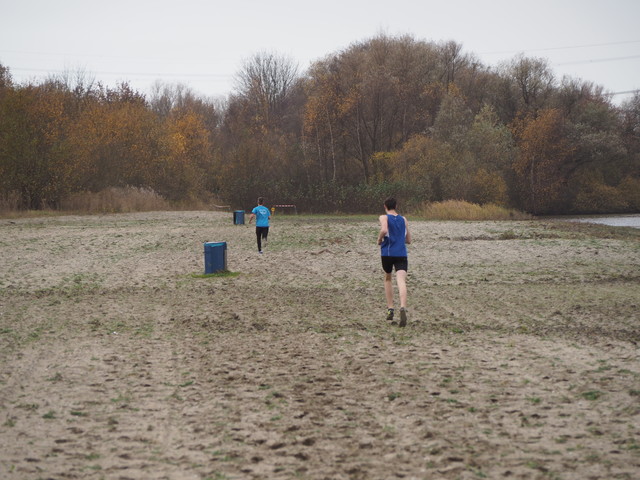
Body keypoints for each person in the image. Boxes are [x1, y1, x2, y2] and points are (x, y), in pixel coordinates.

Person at [377, 197, 412, 327]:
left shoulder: (383, 217)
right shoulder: (404, 219)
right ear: (396, 206)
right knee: (401, 280)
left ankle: (390, 308)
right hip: (401, 253)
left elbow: (384, 230)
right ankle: (402, 306)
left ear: (385, 206)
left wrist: (379, 239)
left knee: (387, 278)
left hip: (387, 253)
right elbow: (408, 240)